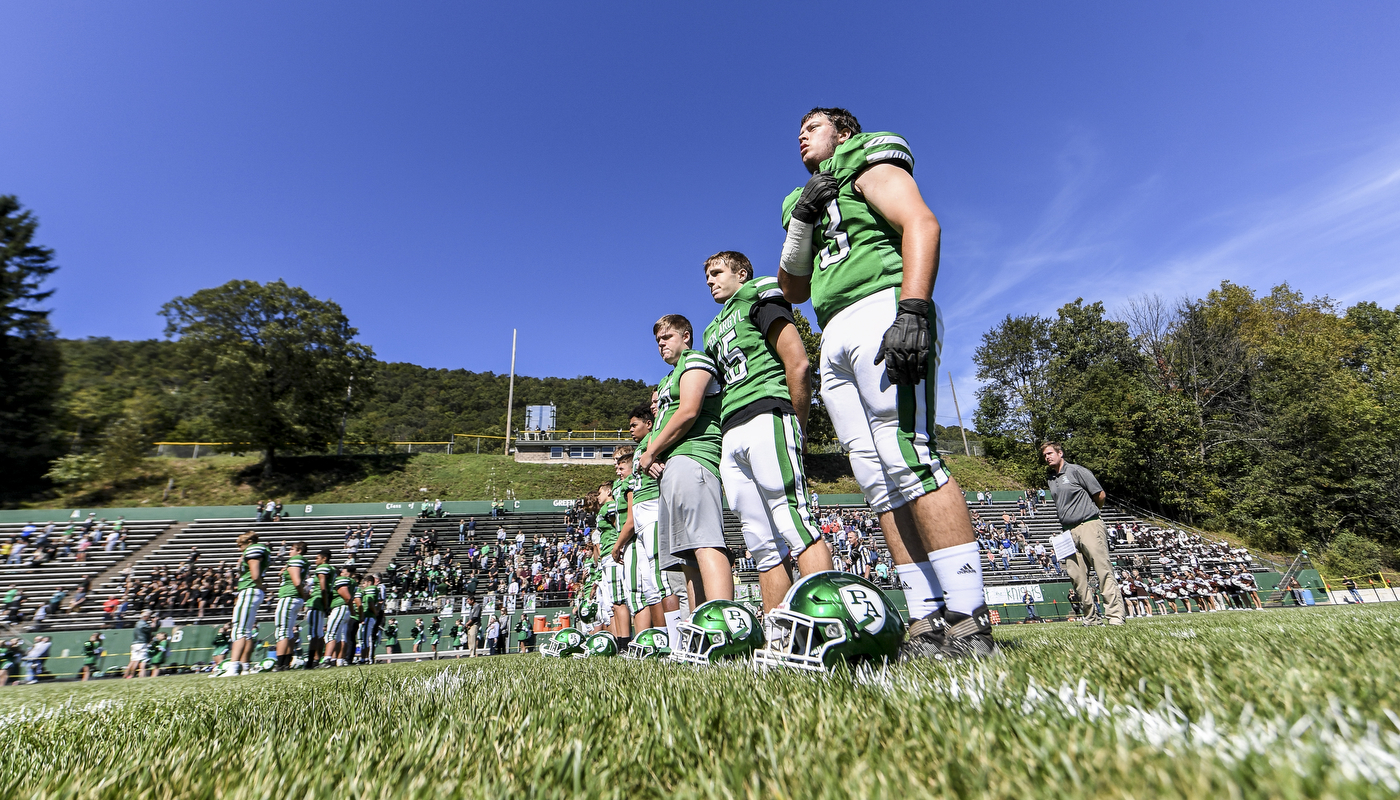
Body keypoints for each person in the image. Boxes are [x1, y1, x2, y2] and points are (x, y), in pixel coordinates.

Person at [777, 107, 991, 659]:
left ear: (844, 133)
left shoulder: (865, 157)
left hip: (881, 304)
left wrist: (913, 307)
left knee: (909, 453)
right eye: (799, 129)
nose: (801, 134)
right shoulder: (804, 199)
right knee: (875, 477)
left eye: (814, 125)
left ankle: (968, 614)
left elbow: (922, 222)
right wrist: (803, 218)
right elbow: (794, 290)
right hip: (834, 329)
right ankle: (926, 616)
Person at [701, 251, 833, 612]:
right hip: (732, 430)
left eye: (716, 273)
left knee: (795, 522)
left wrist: (799, 425)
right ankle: (779, 633)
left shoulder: (758, 292)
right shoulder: (713, 329)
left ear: (742, 273)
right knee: (761, 542)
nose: (710, 281)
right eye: (707, 277)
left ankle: (828, 618)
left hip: (767, 413)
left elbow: (798, 361)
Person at [638, 315, 733, 611]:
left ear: (686, 336)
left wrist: (651, 451)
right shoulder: (668, 377)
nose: (661, 344)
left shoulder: (696, 360)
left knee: (706, 543)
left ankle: (726, 624)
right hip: (672, 467)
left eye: (667, 337)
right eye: (657, 340)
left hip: (694, 456)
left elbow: (689, 411)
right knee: (687, 557)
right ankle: (700, 628)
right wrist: (655, 455)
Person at [1042, 442, 1125, 625]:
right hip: (1067, 532)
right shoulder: (1051, 478)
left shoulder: (1077, 471)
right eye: (1045, 455)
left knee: (1103, 571)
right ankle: (1091, 618)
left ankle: (1115, 616)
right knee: (1077, 577)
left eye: (1050, 453)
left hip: (1088, 524)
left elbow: (1100, 494)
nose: (1047, 457)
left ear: (1060, 453)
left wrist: (1091, 514)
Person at [616, 407, 678, 643]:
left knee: (662, 580)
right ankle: (661, 640)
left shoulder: (655, 437)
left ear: (649, 424)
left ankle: (674, 641)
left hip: (652, 510)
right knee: (651, 585)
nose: (630, 430)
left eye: (634, 425)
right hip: (642, 517)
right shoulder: (641, 447)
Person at [226, 531, 271, 675]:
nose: (239, 548)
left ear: (249, 542)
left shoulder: (254, 549)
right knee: (246, 631)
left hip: (250, 590)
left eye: (241, 545)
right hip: (252, 590)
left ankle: (234, 666)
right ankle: (244, 666)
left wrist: (260, 584)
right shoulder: (259, 549)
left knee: (239, 630)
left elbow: (255, 574)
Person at [272, 541, 309, 671]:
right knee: (288, 632)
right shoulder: (298, 561)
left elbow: (297, 582)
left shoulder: (296, 559)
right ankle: (285, 663)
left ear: (299, 550)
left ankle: (280, 664)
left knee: (282, 631)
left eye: (292, 549)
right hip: (293, 597)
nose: (290, 552)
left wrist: (302, 595)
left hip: (289, 597)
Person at [304, 549, 334, 668]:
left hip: (317, 603)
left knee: (315, 634)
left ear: (324, 558)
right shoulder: (331, 569)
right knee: (318, 633)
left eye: (317, 558)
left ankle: (311, 661)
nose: (315, 560)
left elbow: (323, 588)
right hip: (321, 603)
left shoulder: (323, 568)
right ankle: (316, 659)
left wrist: (325, 603)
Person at [325, 566, 356, 667]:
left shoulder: (340, 580)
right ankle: (336, 659)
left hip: (340, 607)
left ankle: (327, 659)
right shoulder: (351, 581)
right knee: (339, 637)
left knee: (331, 635)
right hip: (344, 609)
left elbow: (347, 597)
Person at [126, 610, 156, 679]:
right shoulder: (143, 623)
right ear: (145, 617)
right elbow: (152, 628)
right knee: (139, 660)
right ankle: (134, 675)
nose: (149, 618)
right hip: (141, 643)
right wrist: (154, 622)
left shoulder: (137, 623)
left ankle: (127, 675)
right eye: (148, 616)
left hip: (135, 643)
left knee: (133, 660)